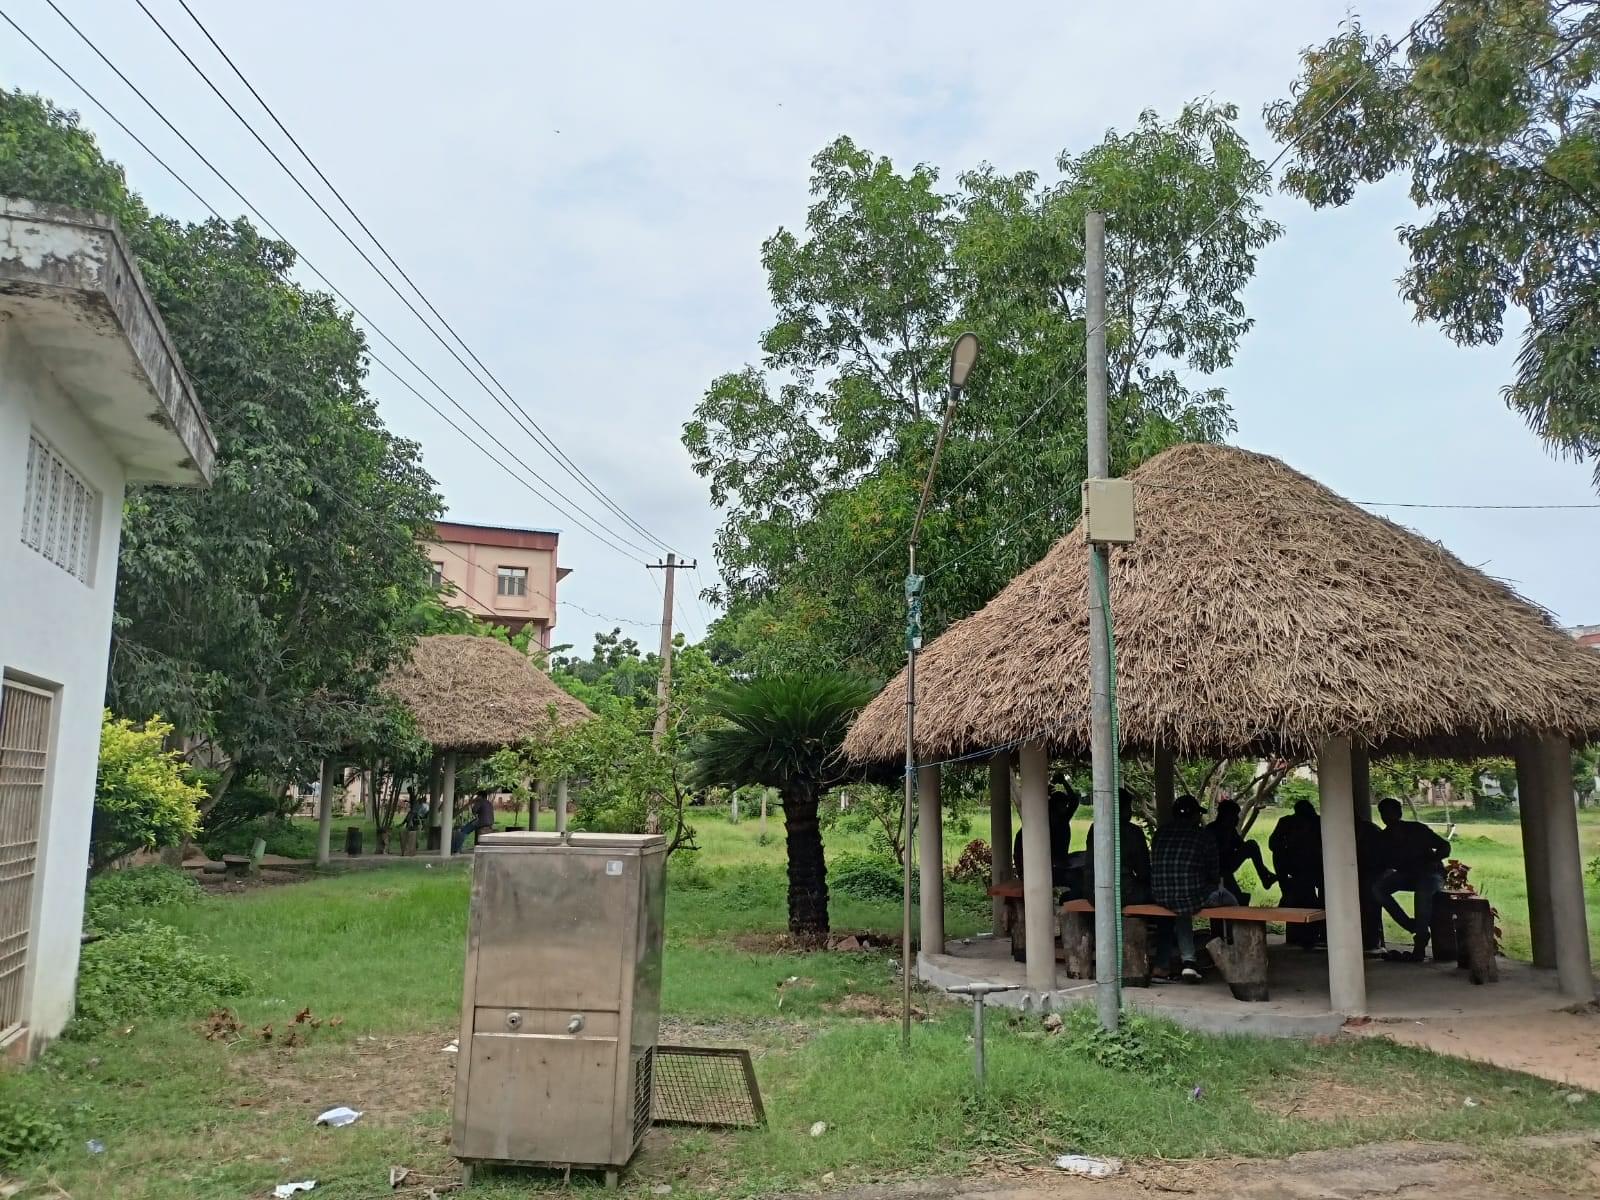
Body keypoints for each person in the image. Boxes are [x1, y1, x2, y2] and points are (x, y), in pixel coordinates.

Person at [1152, 794, 1227, 981]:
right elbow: (1214, 873)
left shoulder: (1160, 833)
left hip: (1161, 895)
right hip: (1191, 897)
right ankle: (1225, 947)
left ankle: (1177, 962)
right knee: (1232, 900)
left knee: (1177, 910)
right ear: (1194, 816)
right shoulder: (1204, 836)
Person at [1372, 796, 1450, 960]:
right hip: (1408, 875)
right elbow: (1381, 862)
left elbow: (1444, 846)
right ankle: (1410, 924)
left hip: (1431, 874)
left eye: (1390, 812)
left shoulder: (1417, 829)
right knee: (1378, 889)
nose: (1387, 817)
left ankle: (1420, 940)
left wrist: (1433, 860)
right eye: (1383, 813)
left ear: (1399, 813)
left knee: (1423, 891)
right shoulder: (1382, 839)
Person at [1013, 768, 1081, 890]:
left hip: (1054, 863)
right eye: (1062, 806)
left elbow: (1074, 801)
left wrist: (1063, 782)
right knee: (1076, 878)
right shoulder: (1042, 823)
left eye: (1065, 806)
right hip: (1041, 869)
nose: (1065, 809)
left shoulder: (1061, 819)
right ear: (1053, 806)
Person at [1084, 786, 1153, 904]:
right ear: (1123, 808)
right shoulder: (1132, 831)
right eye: (1129, 807)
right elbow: (1143, 870)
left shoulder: (1095, 828)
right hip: (1123, 891)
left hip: (1092, 891)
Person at [1270, 799, 1324, 947]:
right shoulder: (1288, 822)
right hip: (1295, 870)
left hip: (1315, 868)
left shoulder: (1317, 823)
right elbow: (1273, 845)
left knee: (1307, 898)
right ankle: (1304, 935)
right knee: (1302, 897)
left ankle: (1310, 935)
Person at [1208, 798, 1277, 902]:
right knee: (1237, 899)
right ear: (1227, 815)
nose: (1237, 819)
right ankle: (1264, 876)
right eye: (1235, 815)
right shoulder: (1213, 830)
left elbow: (1241, 845)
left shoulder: (1229, 830)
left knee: (1238, 899)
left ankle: (1264, 875)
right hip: (1218, 869)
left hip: (1225, 868)